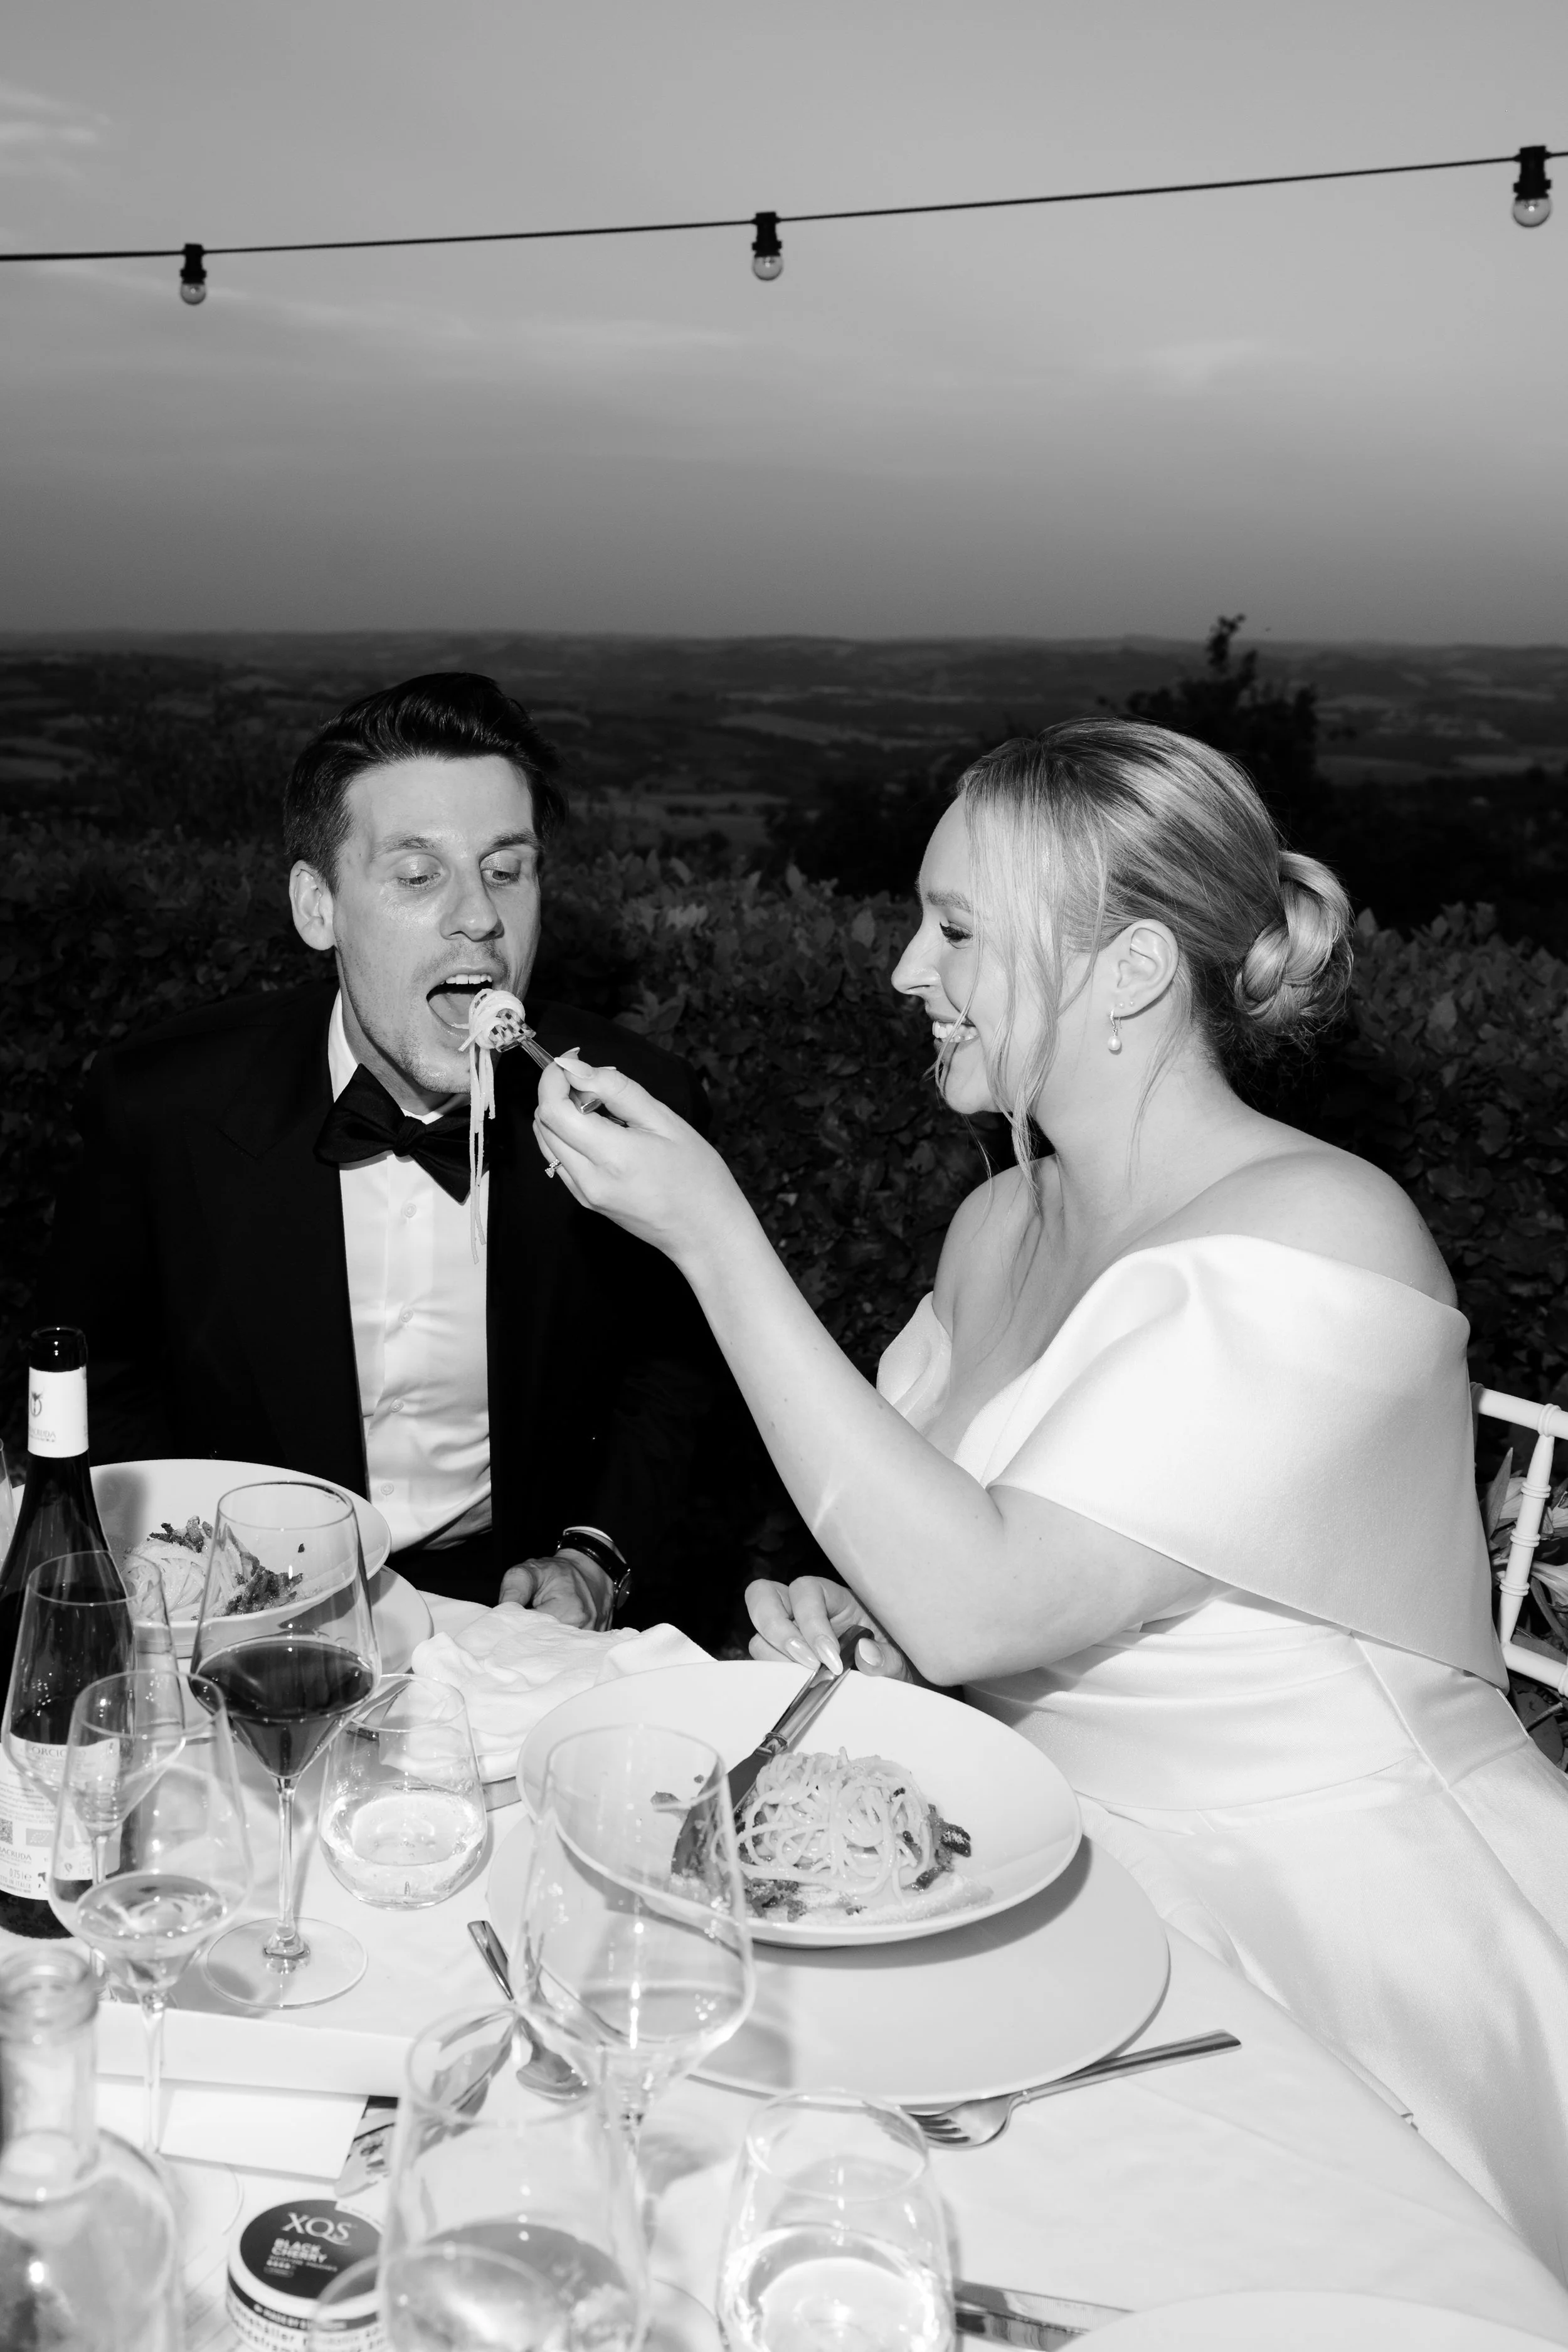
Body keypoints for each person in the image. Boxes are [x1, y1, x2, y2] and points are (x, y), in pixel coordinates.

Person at [530, 716, 1568, 2277]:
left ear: (1132, 972)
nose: (902, 969)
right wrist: (857, 1610)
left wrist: (712, 1238)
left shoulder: (1320, 1234)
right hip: (1042, 1861)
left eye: (954, 930)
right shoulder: (995, 1224)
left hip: (1324, 1918)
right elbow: (951, 1585)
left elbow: (988, 1600)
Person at [40, 672, 716, 1622]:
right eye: (417, 874)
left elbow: (673, 1369)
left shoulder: (634, 1106)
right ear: (319, 908)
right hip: (246, 1597)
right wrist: (178, 1564)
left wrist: (596, 1556)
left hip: (511, 1602)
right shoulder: (163, 1105)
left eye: (506, 868)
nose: (478, 915)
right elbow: (93, 1377)